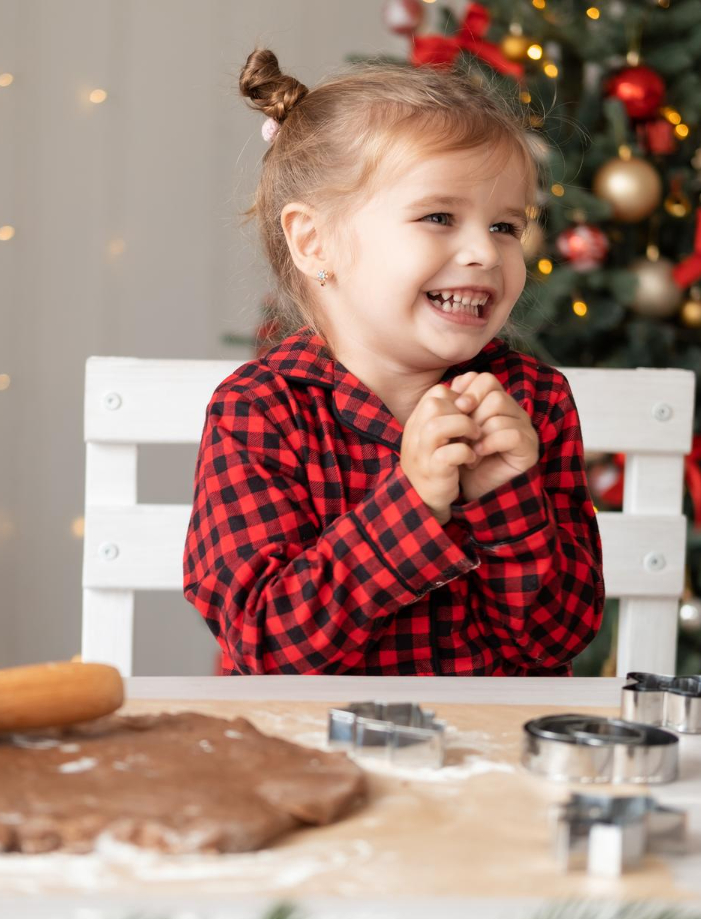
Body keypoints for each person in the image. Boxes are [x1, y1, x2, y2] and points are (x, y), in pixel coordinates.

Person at [182, 49, 604, 676]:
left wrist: (506, 498)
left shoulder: (532, 402)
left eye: (506, 227)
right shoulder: (260, 412)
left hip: (493, 759)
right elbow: (265, 647)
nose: (484, 253)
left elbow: (559, 638)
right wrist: (411, 505)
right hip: (314, 756)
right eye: (439, 217)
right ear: (313, 240)